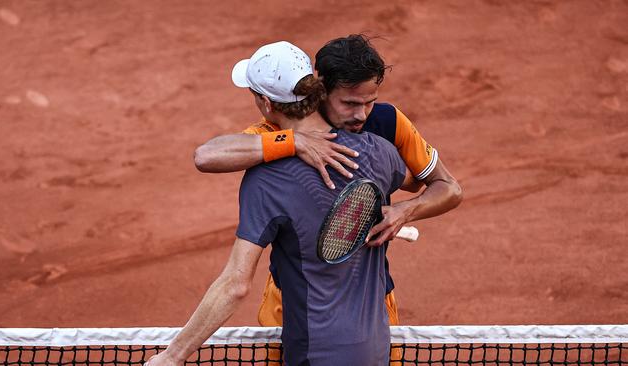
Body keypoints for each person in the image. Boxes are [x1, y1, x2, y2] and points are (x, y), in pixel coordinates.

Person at [146, 41, 415, 366]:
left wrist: (173, 356)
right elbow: (417, 180)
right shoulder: (381, 153)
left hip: (313, 355)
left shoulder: (267, 180)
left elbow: (235, 285)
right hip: (375, 352)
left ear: (265, 102)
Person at [193, 34, 463, 345]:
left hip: (371, 302)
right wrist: (295, 142)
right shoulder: (280, 128)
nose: (361, 114)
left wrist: (405, 210)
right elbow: (208, 155)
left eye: (369, 101)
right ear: (321, 90)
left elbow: (448, 187)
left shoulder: (387, 122)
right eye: (349, 103)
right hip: (289, 304)